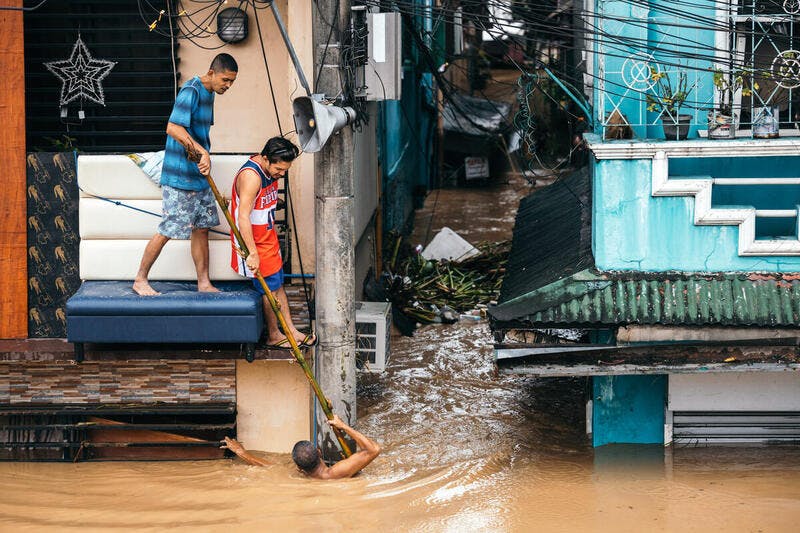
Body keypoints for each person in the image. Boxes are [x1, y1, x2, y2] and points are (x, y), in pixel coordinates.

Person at [133, 53, 239, 296]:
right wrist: (203, 152)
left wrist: (202, 156)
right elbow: (173, 128)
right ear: (211, 73)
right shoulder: (191, 91)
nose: (228, 86)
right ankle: (140, 279)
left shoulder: (210, 93)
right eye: (225, 80)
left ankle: (204, 283)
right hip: (180, 177)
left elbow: (196, 134)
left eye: (232, 82)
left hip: (199, 176)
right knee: (169, 229)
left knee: (202, 228)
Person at [229, 136, 316, 349]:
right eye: (279, 169)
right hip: (255, 244)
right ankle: (274, 335)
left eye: (285, 170)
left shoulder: (271, 170)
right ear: (265, 159)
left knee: (278, 286)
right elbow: (242, 217)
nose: (281, 174)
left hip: (269, 238)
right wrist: (252, 253)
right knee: (270, 290)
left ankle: (291, 330)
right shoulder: (252, 176)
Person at [222, 414, 381, 479]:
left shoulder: (298, 476)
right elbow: (374, 449)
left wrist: (240, 451)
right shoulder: (334, 473)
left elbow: (264, 464)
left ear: (298, 468)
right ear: (319, 452)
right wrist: (343, 425)